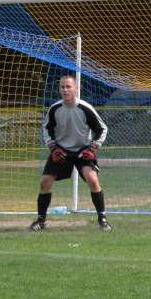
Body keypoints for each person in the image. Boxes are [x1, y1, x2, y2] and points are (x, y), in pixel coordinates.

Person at [29, 75, 111, 231]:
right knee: (45, 181)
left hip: (83, 149)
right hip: (62, 149)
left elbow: (102, 129)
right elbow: (47, 129)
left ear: (76, 88)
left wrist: (92, 148)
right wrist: (53, 147)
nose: (65, 90)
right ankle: (41, 221)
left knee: (92, 179)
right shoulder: (55, 108)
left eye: (68, 87)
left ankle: (102, 218)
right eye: (62, 87)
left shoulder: (85, 108)